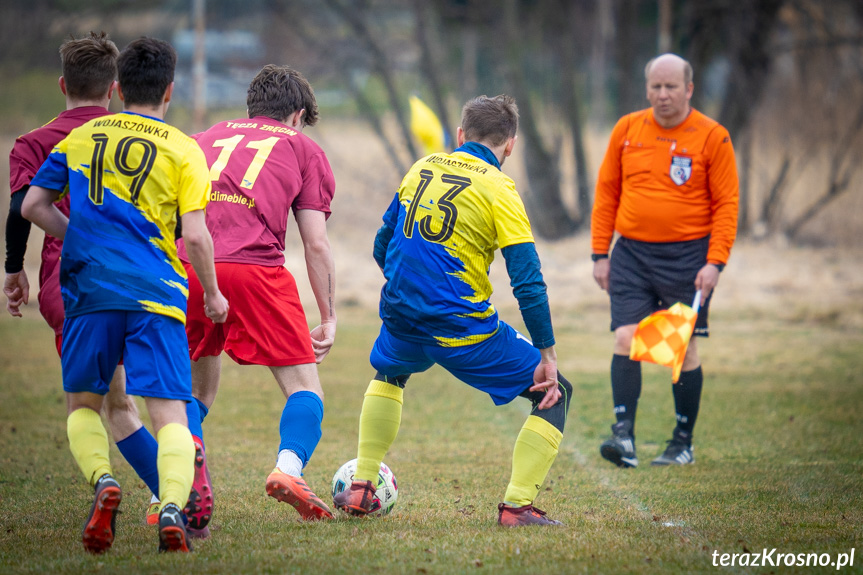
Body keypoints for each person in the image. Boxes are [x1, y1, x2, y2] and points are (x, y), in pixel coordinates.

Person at [22, 36, 228, 553]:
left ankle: (104, 481)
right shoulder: (184, 149)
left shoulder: (84, 136)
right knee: (170, 413)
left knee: (85, 405)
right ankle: (174, 507)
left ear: (117, 88)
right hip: (155, 294)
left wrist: (80, 239)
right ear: (170, 91)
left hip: (90, 292)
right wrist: (212, 294)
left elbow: (32, 206)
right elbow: (197, 234)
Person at [333, 94, 572, 527]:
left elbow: (381, 246)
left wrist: (410, 289)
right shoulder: (499, 188)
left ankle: (362, 486)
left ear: (461, 135)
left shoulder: (421, 167)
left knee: (390, 374)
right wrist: (548, 353)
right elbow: (528, 282)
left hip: (401, 317)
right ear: (510, 145)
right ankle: (517, 507)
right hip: (460, 329)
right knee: (554, 391)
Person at [176, 64, 337, 520]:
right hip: (255, 272)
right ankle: (288, 469)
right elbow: (316, 243)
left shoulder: (202, 139)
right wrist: (328, 316)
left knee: (195, 392)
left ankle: (168, 491)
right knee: (305, 389)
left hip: (189, 265)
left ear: (251, 107)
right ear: (297, 115)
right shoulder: (302, 148)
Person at [590, 53, 739, 468]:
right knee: (626, 338)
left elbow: (727, 204)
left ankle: (682, 443)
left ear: (689, 89)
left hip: (689, 258)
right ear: (646, 88)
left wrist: (716, 262)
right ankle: (624, 440)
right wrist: (600, 253)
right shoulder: (627, 129)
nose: (662, 95)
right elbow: (606, 194)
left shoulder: (713, 137)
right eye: (655, 86)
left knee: (682, 348)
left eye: (671, 86)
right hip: (632, 255)